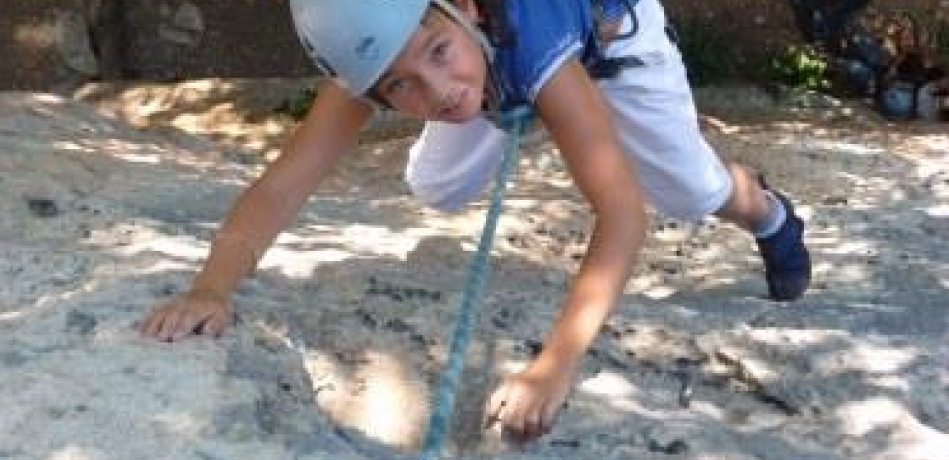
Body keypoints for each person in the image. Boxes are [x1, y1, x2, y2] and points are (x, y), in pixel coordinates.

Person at [139, 0, 812, 445]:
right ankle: (530, 104)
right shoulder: (407, 43)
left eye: (433, 54)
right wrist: (212, 286)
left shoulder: (517, 37)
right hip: (499, 63)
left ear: (460, 6)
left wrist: (555, 365)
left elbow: (622, 212)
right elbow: (285, 182)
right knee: (434, 181)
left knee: (690, 190)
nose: (435, 95)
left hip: (605, 45)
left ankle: (766, 210)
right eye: (398, 88)